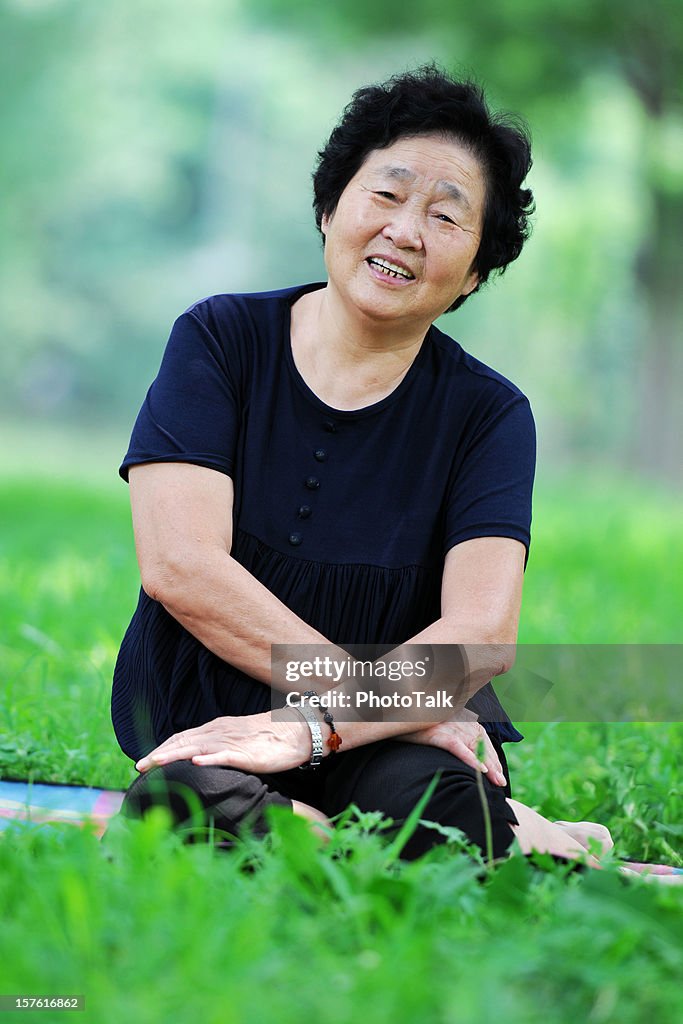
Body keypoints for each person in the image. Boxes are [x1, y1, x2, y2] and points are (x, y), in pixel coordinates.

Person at [110, 65, 649, 871]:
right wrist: (392, 702)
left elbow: (478, 637)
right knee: (177, 797)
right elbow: (180, 565)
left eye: (445, 216)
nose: (405, 231)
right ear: (330, 209)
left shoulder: (488, 415)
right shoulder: (219, 340)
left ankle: (385, 836)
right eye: (386, 196)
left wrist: (327, 720)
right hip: (223, 712)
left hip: (390, 737)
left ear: (473, 273)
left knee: (440, 817)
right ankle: (522, 836)